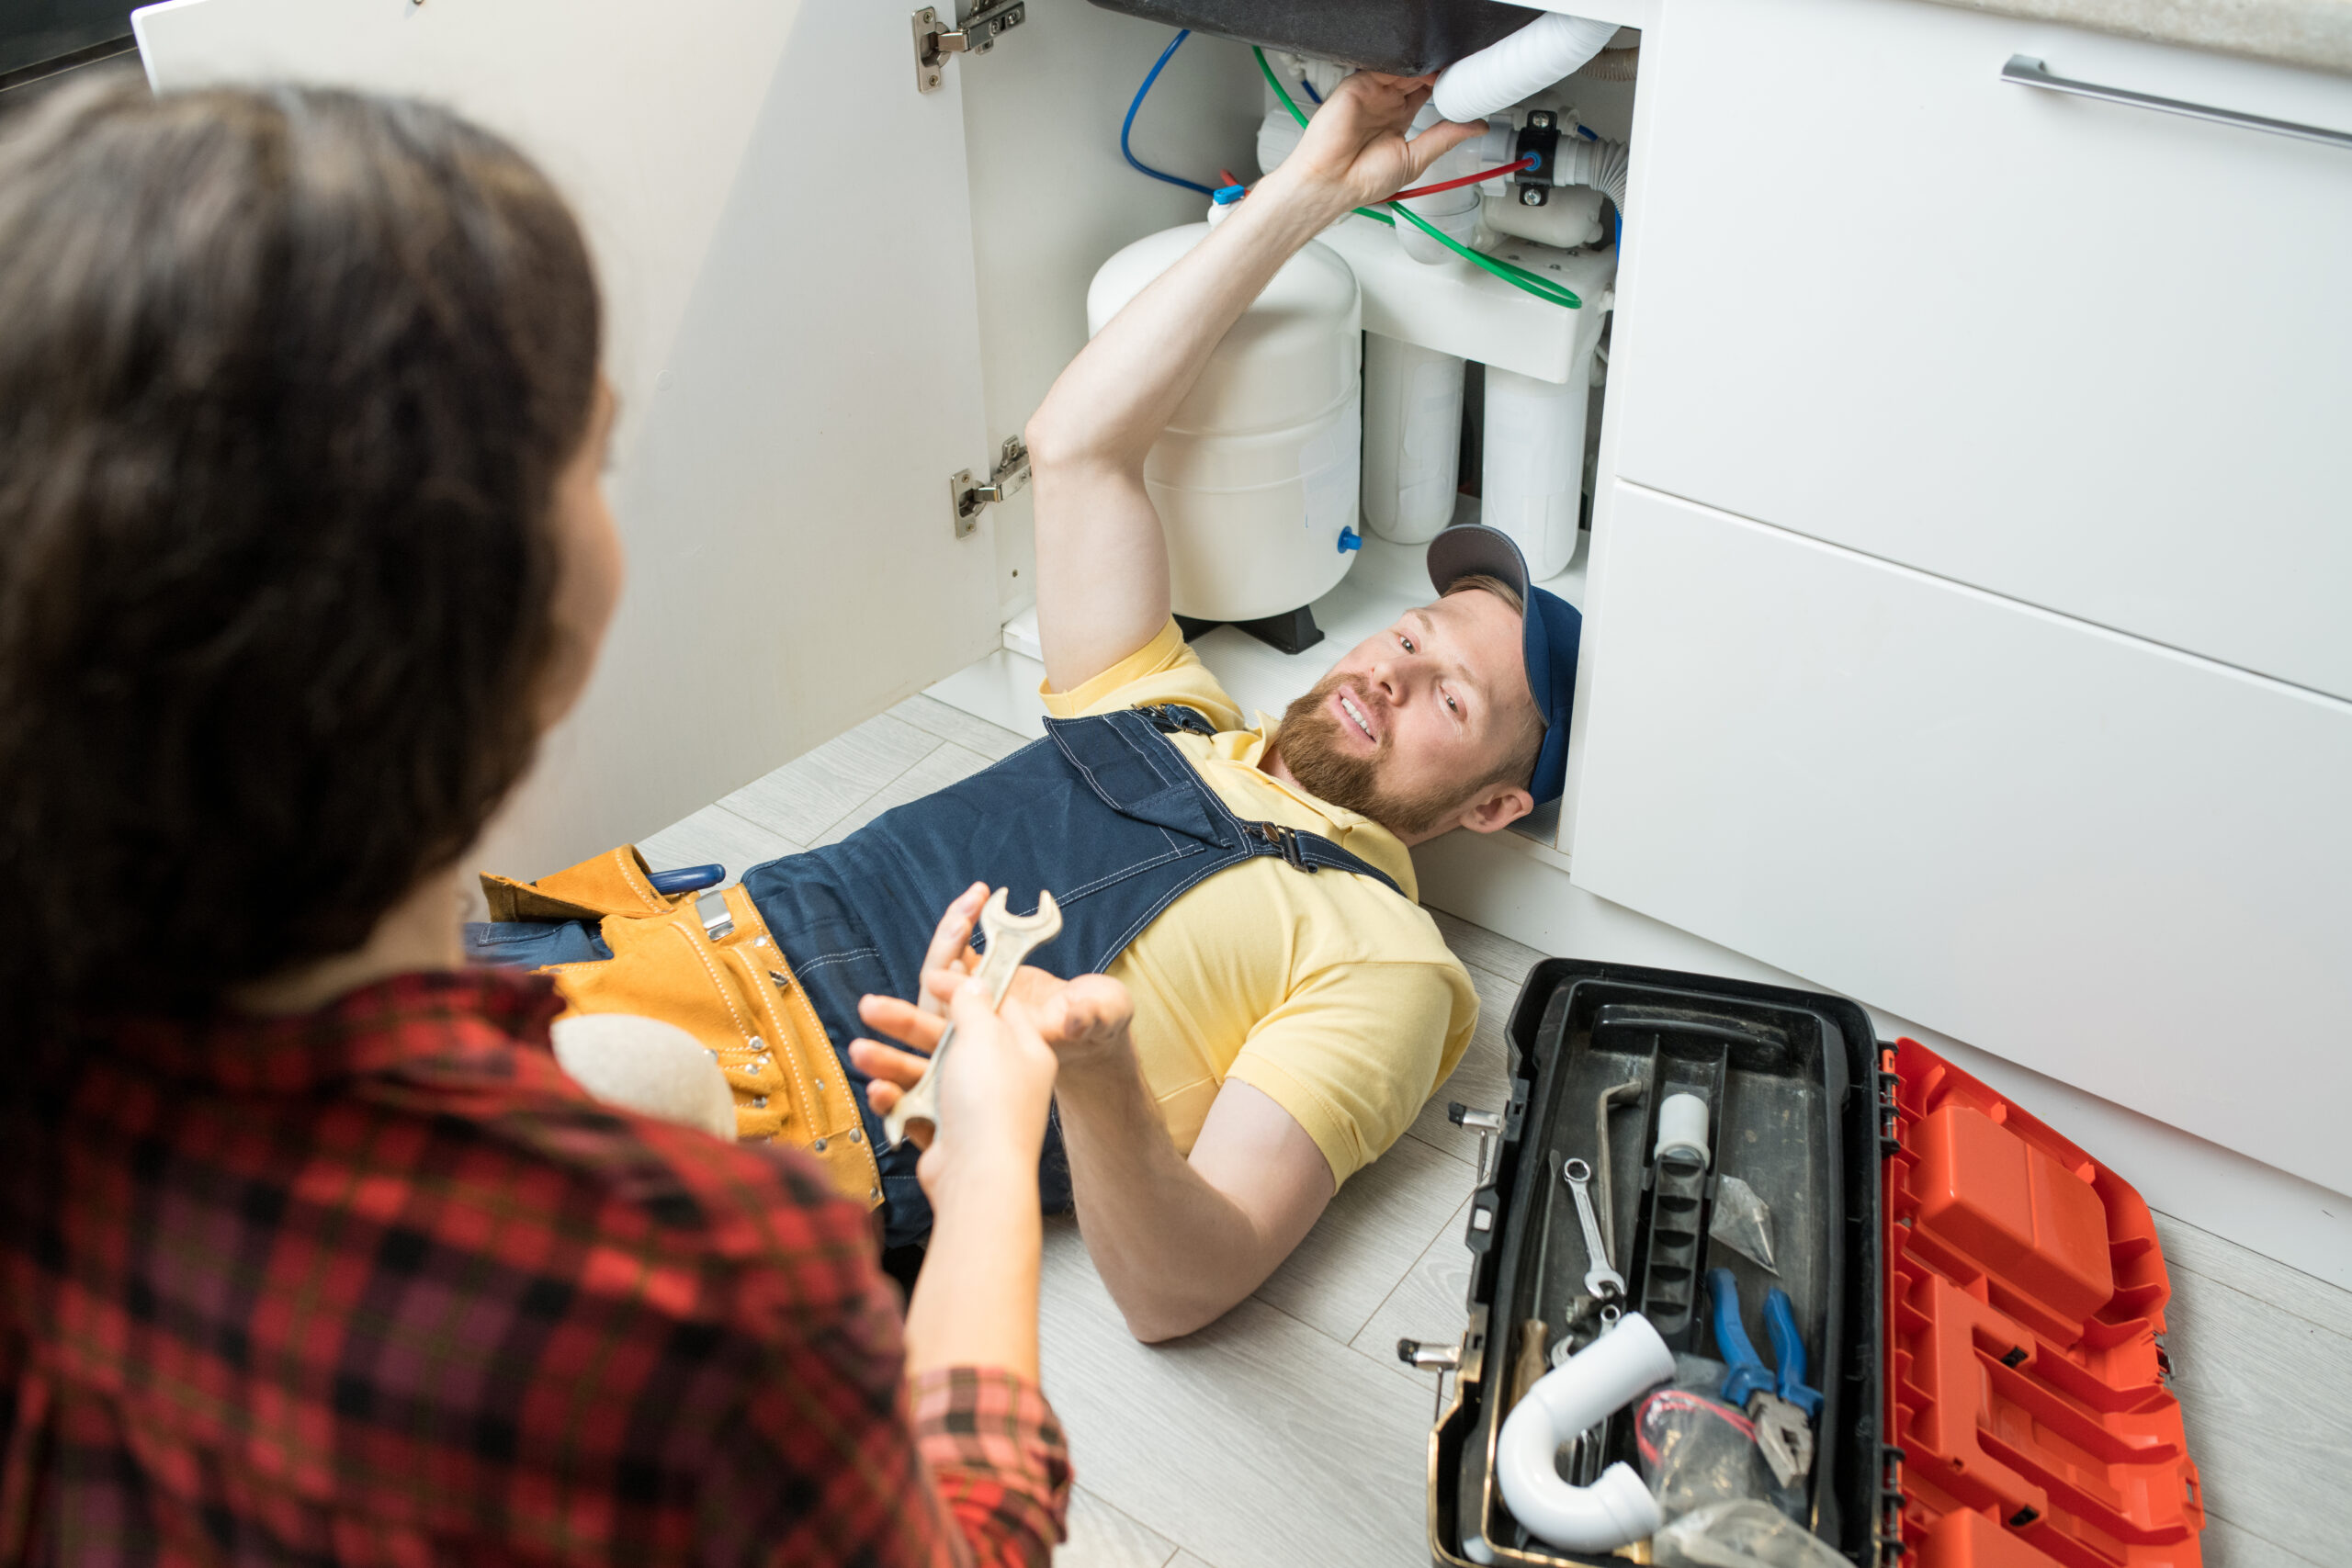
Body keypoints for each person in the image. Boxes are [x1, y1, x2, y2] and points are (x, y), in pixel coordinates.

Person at [0, 81, 1075, 1565]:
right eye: (600, 456)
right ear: (511, 611)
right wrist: (991, 1174)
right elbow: (968, 1542)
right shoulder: (696, 1297)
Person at [737, 72, 1582, 1342]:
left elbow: (1181, 1290)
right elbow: (1078, 444)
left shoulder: (1389, 966)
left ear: (1495, 803)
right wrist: (1314, 195)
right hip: (685, 922)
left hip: (786, 1115)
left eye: (1447, 701)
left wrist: (1100, 1077)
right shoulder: (1168, 705)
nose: (1389, 674)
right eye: (1408, 635)